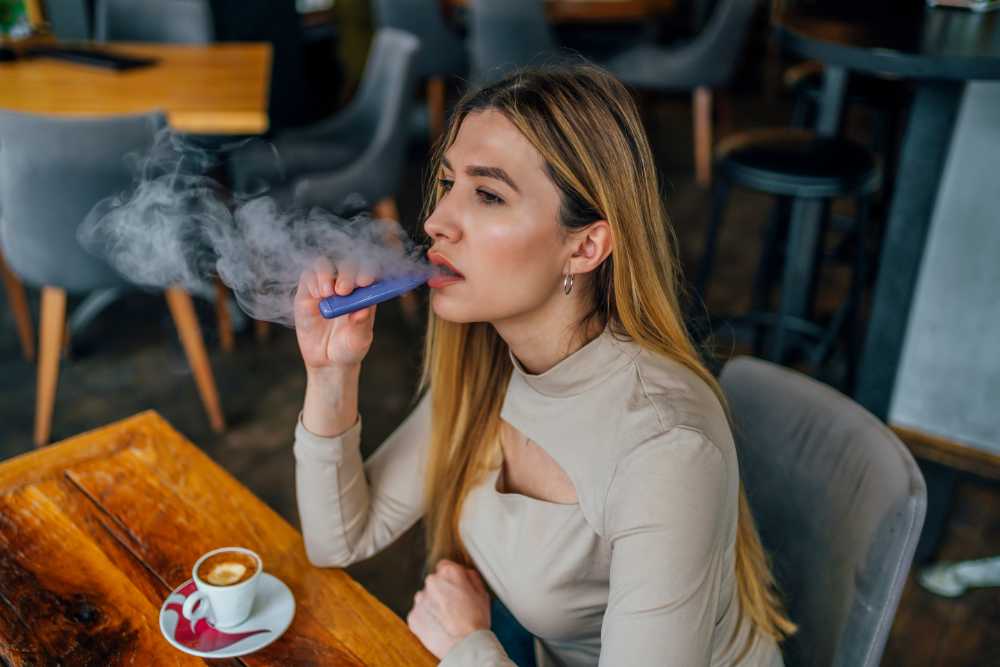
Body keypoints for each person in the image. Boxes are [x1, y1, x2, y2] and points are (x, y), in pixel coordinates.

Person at [291, 64, 795, 666]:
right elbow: (339, 539)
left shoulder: (664, 449)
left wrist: (467, 645)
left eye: (488, 193)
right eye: (448, 183)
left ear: (585, 247)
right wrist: (330, 374)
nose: (435, 222)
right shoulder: (494, 365)